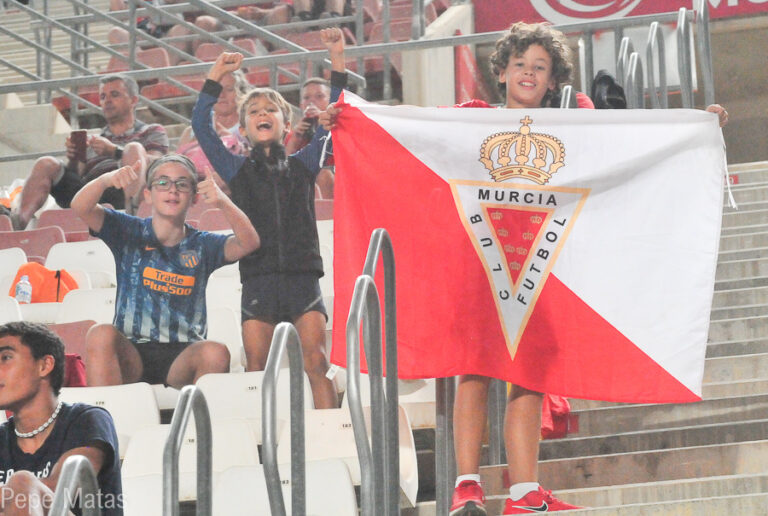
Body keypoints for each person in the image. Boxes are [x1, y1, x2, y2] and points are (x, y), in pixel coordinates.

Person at [320, 21, 729, 515]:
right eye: (520, 64)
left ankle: (523, 493)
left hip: (542, 269)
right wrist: (343, 95)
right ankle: (466, 487)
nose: (529, 73)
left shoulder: (571, 127)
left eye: (540, 66)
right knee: (474, 369)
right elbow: (405, 129)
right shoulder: (471, 119)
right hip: (478, 264)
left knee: (530, 376)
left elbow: (630, 141)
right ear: (502, 71)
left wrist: (696, 128)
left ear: (553, 79)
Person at [190, 27, 347, 409]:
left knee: (317, 362)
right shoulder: (236, 169)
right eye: (254, 111)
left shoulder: (305, 162)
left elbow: (339, 114)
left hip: (303, 278)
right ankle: (263, 438)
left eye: (271, 110)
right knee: (257, 369)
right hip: (258, 278)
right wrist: (216, 74)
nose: (263, 114)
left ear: (286, 125)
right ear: (243, 129)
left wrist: (337, 56)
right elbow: (201, 127)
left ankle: (330, 432)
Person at [70, 154, 260, 388]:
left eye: (182, 184)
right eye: (162, 183)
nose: (173, 190)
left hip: (183, 353)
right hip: (131, 351)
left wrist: (222, 201)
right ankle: (105, 411)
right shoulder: (127, 230)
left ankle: (197, 413)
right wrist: (106, 180)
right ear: (148, 194)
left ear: (194, 197)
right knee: (100, 333)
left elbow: (249, 242)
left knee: (216, 352)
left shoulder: (202, 244)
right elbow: (80, 206)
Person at [13, 74, 168, 230]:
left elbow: (158, 164)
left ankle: (132, 217)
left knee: (133, 148)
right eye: (103, 97)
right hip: (90, 192)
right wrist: (74, 158)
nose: (107, 101)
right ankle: (18, 223)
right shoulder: (94, 140)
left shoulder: (151, 131)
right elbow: (77, 177)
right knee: (46, 163)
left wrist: (114, 152)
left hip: (123, 190)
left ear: (133, 100)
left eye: (114, 95)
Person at [0, 322, 122, 515]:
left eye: (6, 358)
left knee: (23, 484)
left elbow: (62, 489)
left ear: (44, 365)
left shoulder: (87, 420)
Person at [176, 69, 249, 195]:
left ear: (241, 93)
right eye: (217, 90)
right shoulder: (191, 132)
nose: (221, 95)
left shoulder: (249, 126)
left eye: (229, 89)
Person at [284, 77, 336, 198]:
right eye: (306, 98)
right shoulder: (294, 134)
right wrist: (295, 139)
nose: (311, 102)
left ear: (330, 103)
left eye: (319, 96)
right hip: (302, 188)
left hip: (337, 181)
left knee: (323, 174)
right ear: (301, 105)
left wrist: (322, 125)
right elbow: (283, 168)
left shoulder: (340, 129)